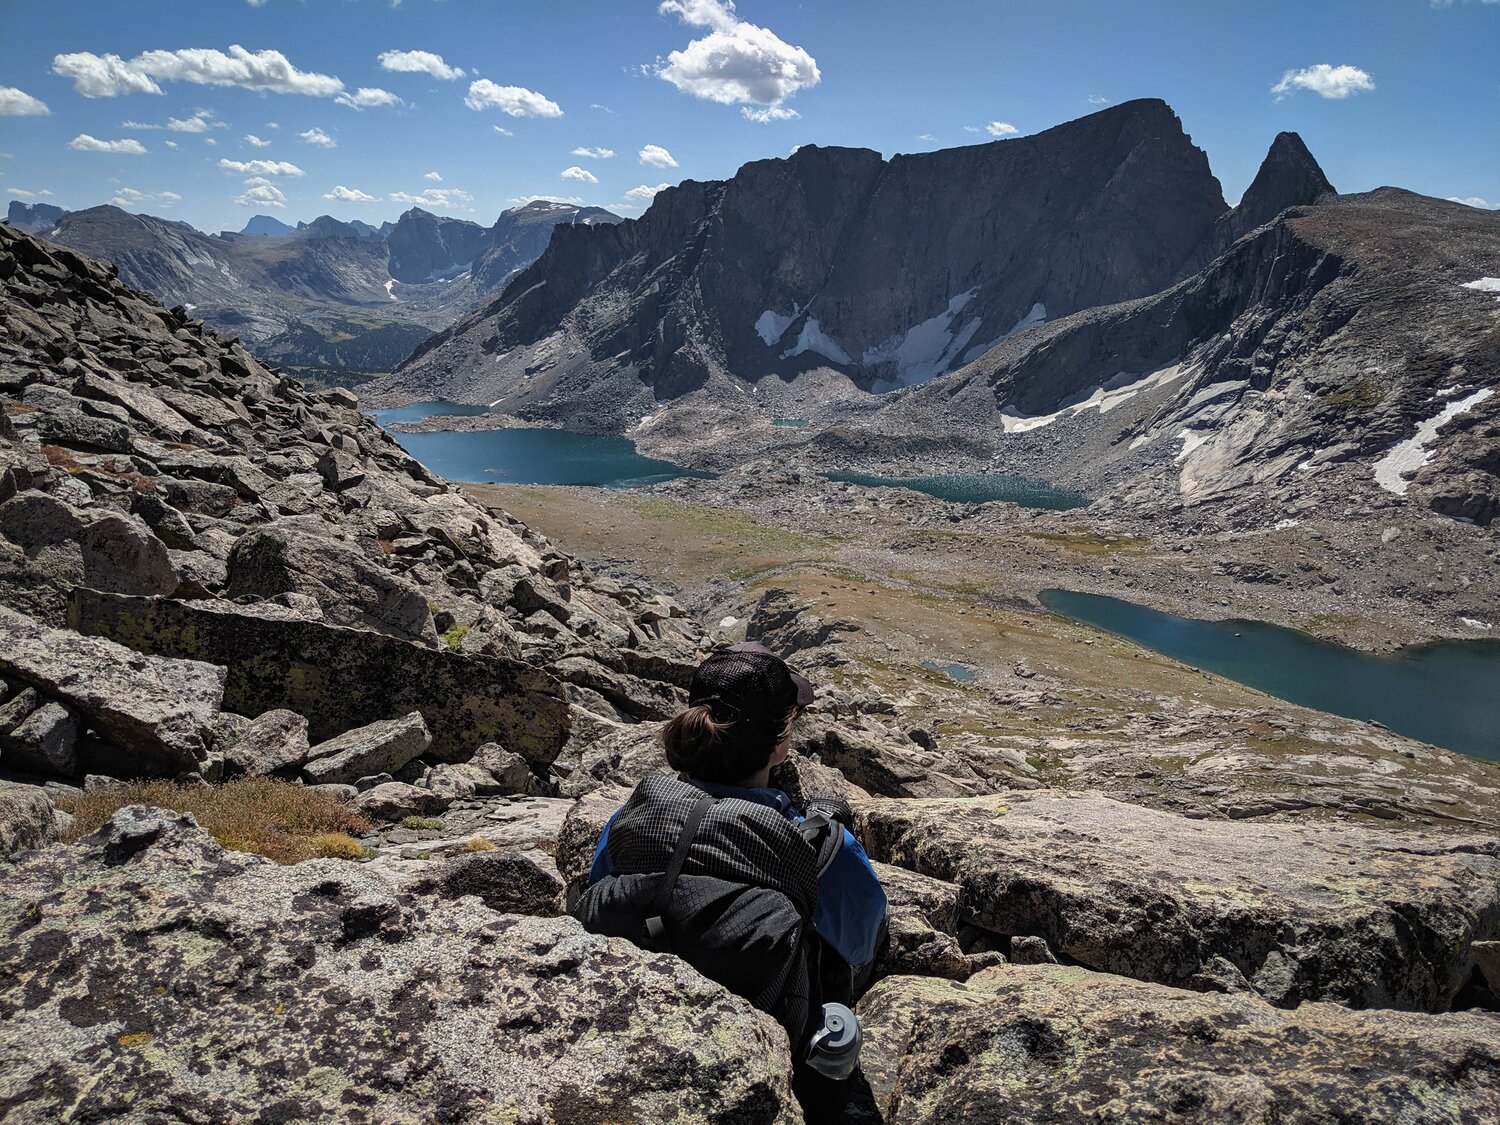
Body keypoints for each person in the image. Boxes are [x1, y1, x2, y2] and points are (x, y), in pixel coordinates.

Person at [576, 640, 888, 1079]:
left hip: (622, 1020)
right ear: (778, 744)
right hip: (759, 1049)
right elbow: (861, 945)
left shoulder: (632, 816)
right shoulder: (818, 847)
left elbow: (597, 887)